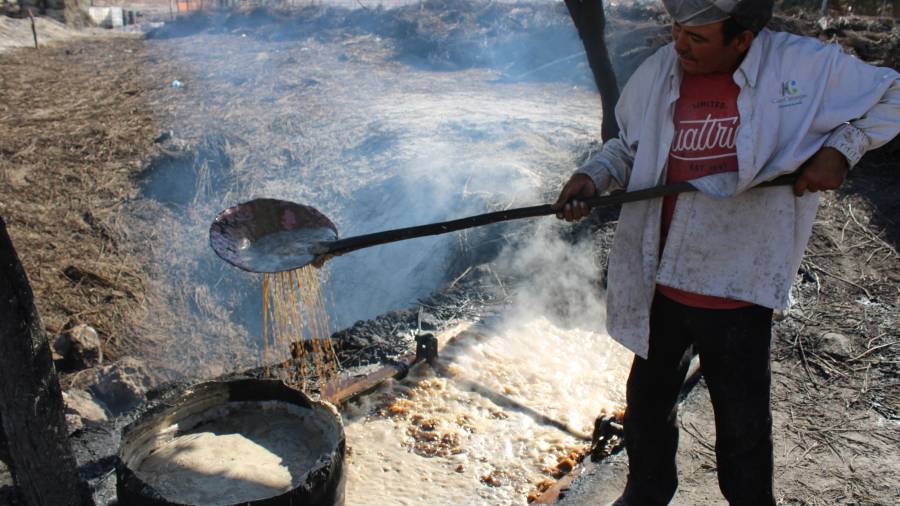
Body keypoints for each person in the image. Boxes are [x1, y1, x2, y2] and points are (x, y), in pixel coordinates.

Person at [551, 1, 900, 504]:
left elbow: (891, 91)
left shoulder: (800, 68)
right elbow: (629, 146)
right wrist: (593, 176)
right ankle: (647, 491)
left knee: (741, 424)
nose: (680, 46)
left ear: (743, 39)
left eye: (698, 38)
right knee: (647, 406)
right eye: (677, 31)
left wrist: (843, 148)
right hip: (663, 278)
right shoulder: (660, 74)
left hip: (735, 285)